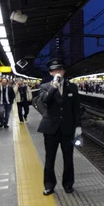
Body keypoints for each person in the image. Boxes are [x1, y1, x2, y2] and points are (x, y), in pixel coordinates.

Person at [37, 58, 82, 195]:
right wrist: (54, 86)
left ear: (64, 71)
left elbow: (76, 108)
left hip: (67, 129)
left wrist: (78, 127)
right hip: (50, 129)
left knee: (68, 158)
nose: (58, 72)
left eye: (60, 70)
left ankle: (68, 184)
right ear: (51, 73)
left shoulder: (72, 87)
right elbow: (45, 100)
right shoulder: (45, 87)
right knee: (50, 158)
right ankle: (49, 185)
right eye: (55, 70)